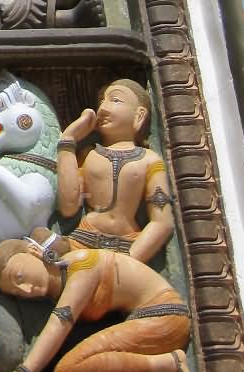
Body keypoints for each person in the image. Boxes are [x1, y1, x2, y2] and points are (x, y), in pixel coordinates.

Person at [0, 234, 191, 372]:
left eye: (20, 276)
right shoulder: (62, 286)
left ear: (33, 251)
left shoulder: (81, 265)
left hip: (164, 318)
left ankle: (170, 364)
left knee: (68, 370)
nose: (27, 290)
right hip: (141, 319)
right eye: (18, 293)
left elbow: (59, 322)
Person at [56, 79, 174, 261]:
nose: (102, 109)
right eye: (101, 102)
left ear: (139, 115)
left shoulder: (150, 160)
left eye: (115, 100)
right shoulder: (88, 155)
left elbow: (162, 222)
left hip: (128, 245)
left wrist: (129, 259)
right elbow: (69, 207)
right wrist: (67, 141)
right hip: (82, 239)